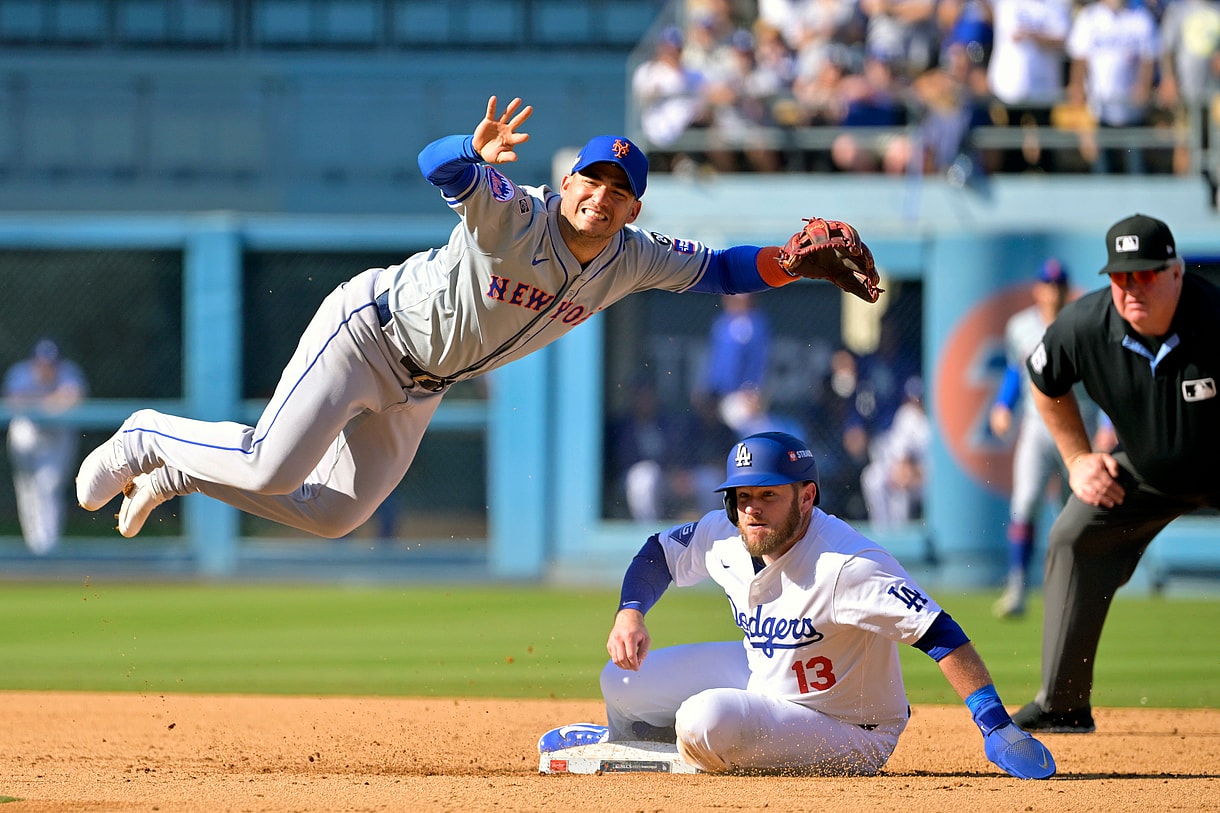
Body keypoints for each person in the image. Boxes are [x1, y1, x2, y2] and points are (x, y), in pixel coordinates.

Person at [75, 95, 882, 540]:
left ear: (632, 206)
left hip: (424, 383)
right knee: (271, 468)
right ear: (566, 184)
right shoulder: (515, 213)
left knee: (334, 513)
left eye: (617, 191)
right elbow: (437, 166)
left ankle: (185, 469)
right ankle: (151, 434)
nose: (599, 197)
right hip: (366, 334)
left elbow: (722, 271)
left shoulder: (633, 254)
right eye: (589, 181)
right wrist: (471, 147)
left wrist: (785, 260)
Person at [538, 431, 1056, 778]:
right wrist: (630, 612)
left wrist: (995, 724)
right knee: (620, 679)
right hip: (767, 679)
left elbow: (939, 632)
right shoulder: (726, 531)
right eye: (742, 496)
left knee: (702, 720)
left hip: (848, 728)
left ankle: (669, 756)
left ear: (806, 497)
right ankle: (626, 739)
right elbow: (659, 554)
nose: (752, 509)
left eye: (768, 495)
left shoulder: (848, 564)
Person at [1012, 213, 1220, 734]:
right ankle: (1062, 704)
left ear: (1175, 271)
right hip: (1148, 472)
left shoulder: (1214, 315)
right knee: (1073, 533)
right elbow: (1043, 380)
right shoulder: (1086, 325)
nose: (1131, 288)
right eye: (1120, 277)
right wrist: (1078, 458)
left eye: (1145, 274)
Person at [988, 258, 1073, 619]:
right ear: (1038, 288)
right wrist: (1003, 405)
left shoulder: (1079, 323)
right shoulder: (1020, 326)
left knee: (1076, 514)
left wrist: (1103, 423)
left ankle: (1074, 586)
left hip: (1075, 427)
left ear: (1066, 290)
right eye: (1046, 284)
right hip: (1037, 428)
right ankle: (1018, 587)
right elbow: (1013, 371)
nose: (1051, 291)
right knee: (1024, 506)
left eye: (1057, 285)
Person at [3, 339, 88, 555]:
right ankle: (35, 545)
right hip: (27, 432)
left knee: (48, 485)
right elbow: (15, 401)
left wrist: (38, 402)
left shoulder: (69, 371)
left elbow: (72, 398)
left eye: (50, 363)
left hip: (57, 434)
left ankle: (47, 546)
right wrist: (50, 402)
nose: (46, 367)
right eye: (42, 362)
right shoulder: (20, 373)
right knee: (27, 488)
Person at [1064, 0, 1160, 174]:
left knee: (1136, 167)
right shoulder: (1089, 17)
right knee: (1102, 169)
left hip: (1132, 110)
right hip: (1099, 111)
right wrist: (1077, 86)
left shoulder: (1140, 17)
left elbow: (1149, 57)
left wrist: (1143, 85)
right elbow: (1079, 57)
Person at [861, 375, 930, 527]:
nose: (915, 401)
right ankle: (883, 533)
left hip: (931, 478)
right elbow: (901, 458)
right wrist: (906, 472)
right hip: (911, 475)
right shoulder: (908, 415)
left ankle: (900, 536)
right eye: (912, 397)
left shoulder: (938, 418)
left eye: (918, 397)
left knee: (903, 486)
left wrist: (915, 473)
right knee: (873, 478)